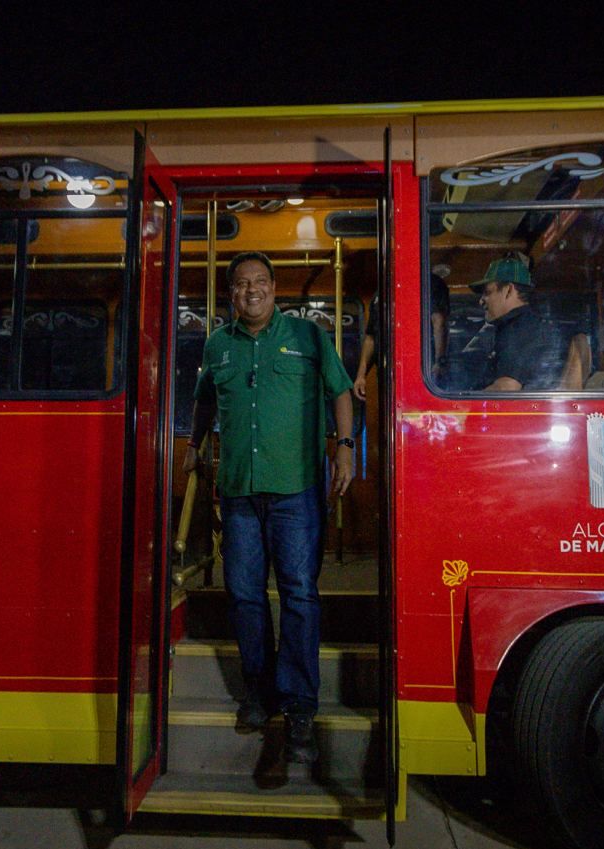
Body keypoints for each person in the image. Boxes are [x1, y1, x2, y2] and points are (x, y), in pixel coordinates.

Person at [183, 251, 354, 764]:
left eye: (259, 282)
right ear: (230, 294)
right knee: (244, 597)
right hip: (237, 493)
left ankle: (300, 704)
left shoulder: (308, 337)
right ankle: (260, 694)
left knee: (299, 595)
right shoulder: (217, 345)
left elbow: (341, 391)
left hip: (296, 490)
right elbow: (205, 401)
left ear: (275, 288)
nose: (250, 290)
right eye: (240, 284)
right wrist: (194, 444)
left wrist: (344, 446)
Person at [352, 268, 450, 401]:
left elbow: (439, 322)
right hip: (388, 377)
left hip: (422, 374)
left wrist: (439, 362)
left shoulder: (431, 283)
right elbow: (371, 337)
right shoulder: (379, 294)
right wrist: (361, 375)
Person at [469, 252, 555, 391]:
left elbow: (506, 388)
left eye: (488, 292)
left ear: (508, 290)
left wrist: (465, 408)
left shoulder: (518, 329)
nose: (481, 300)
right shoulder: (525, 324)